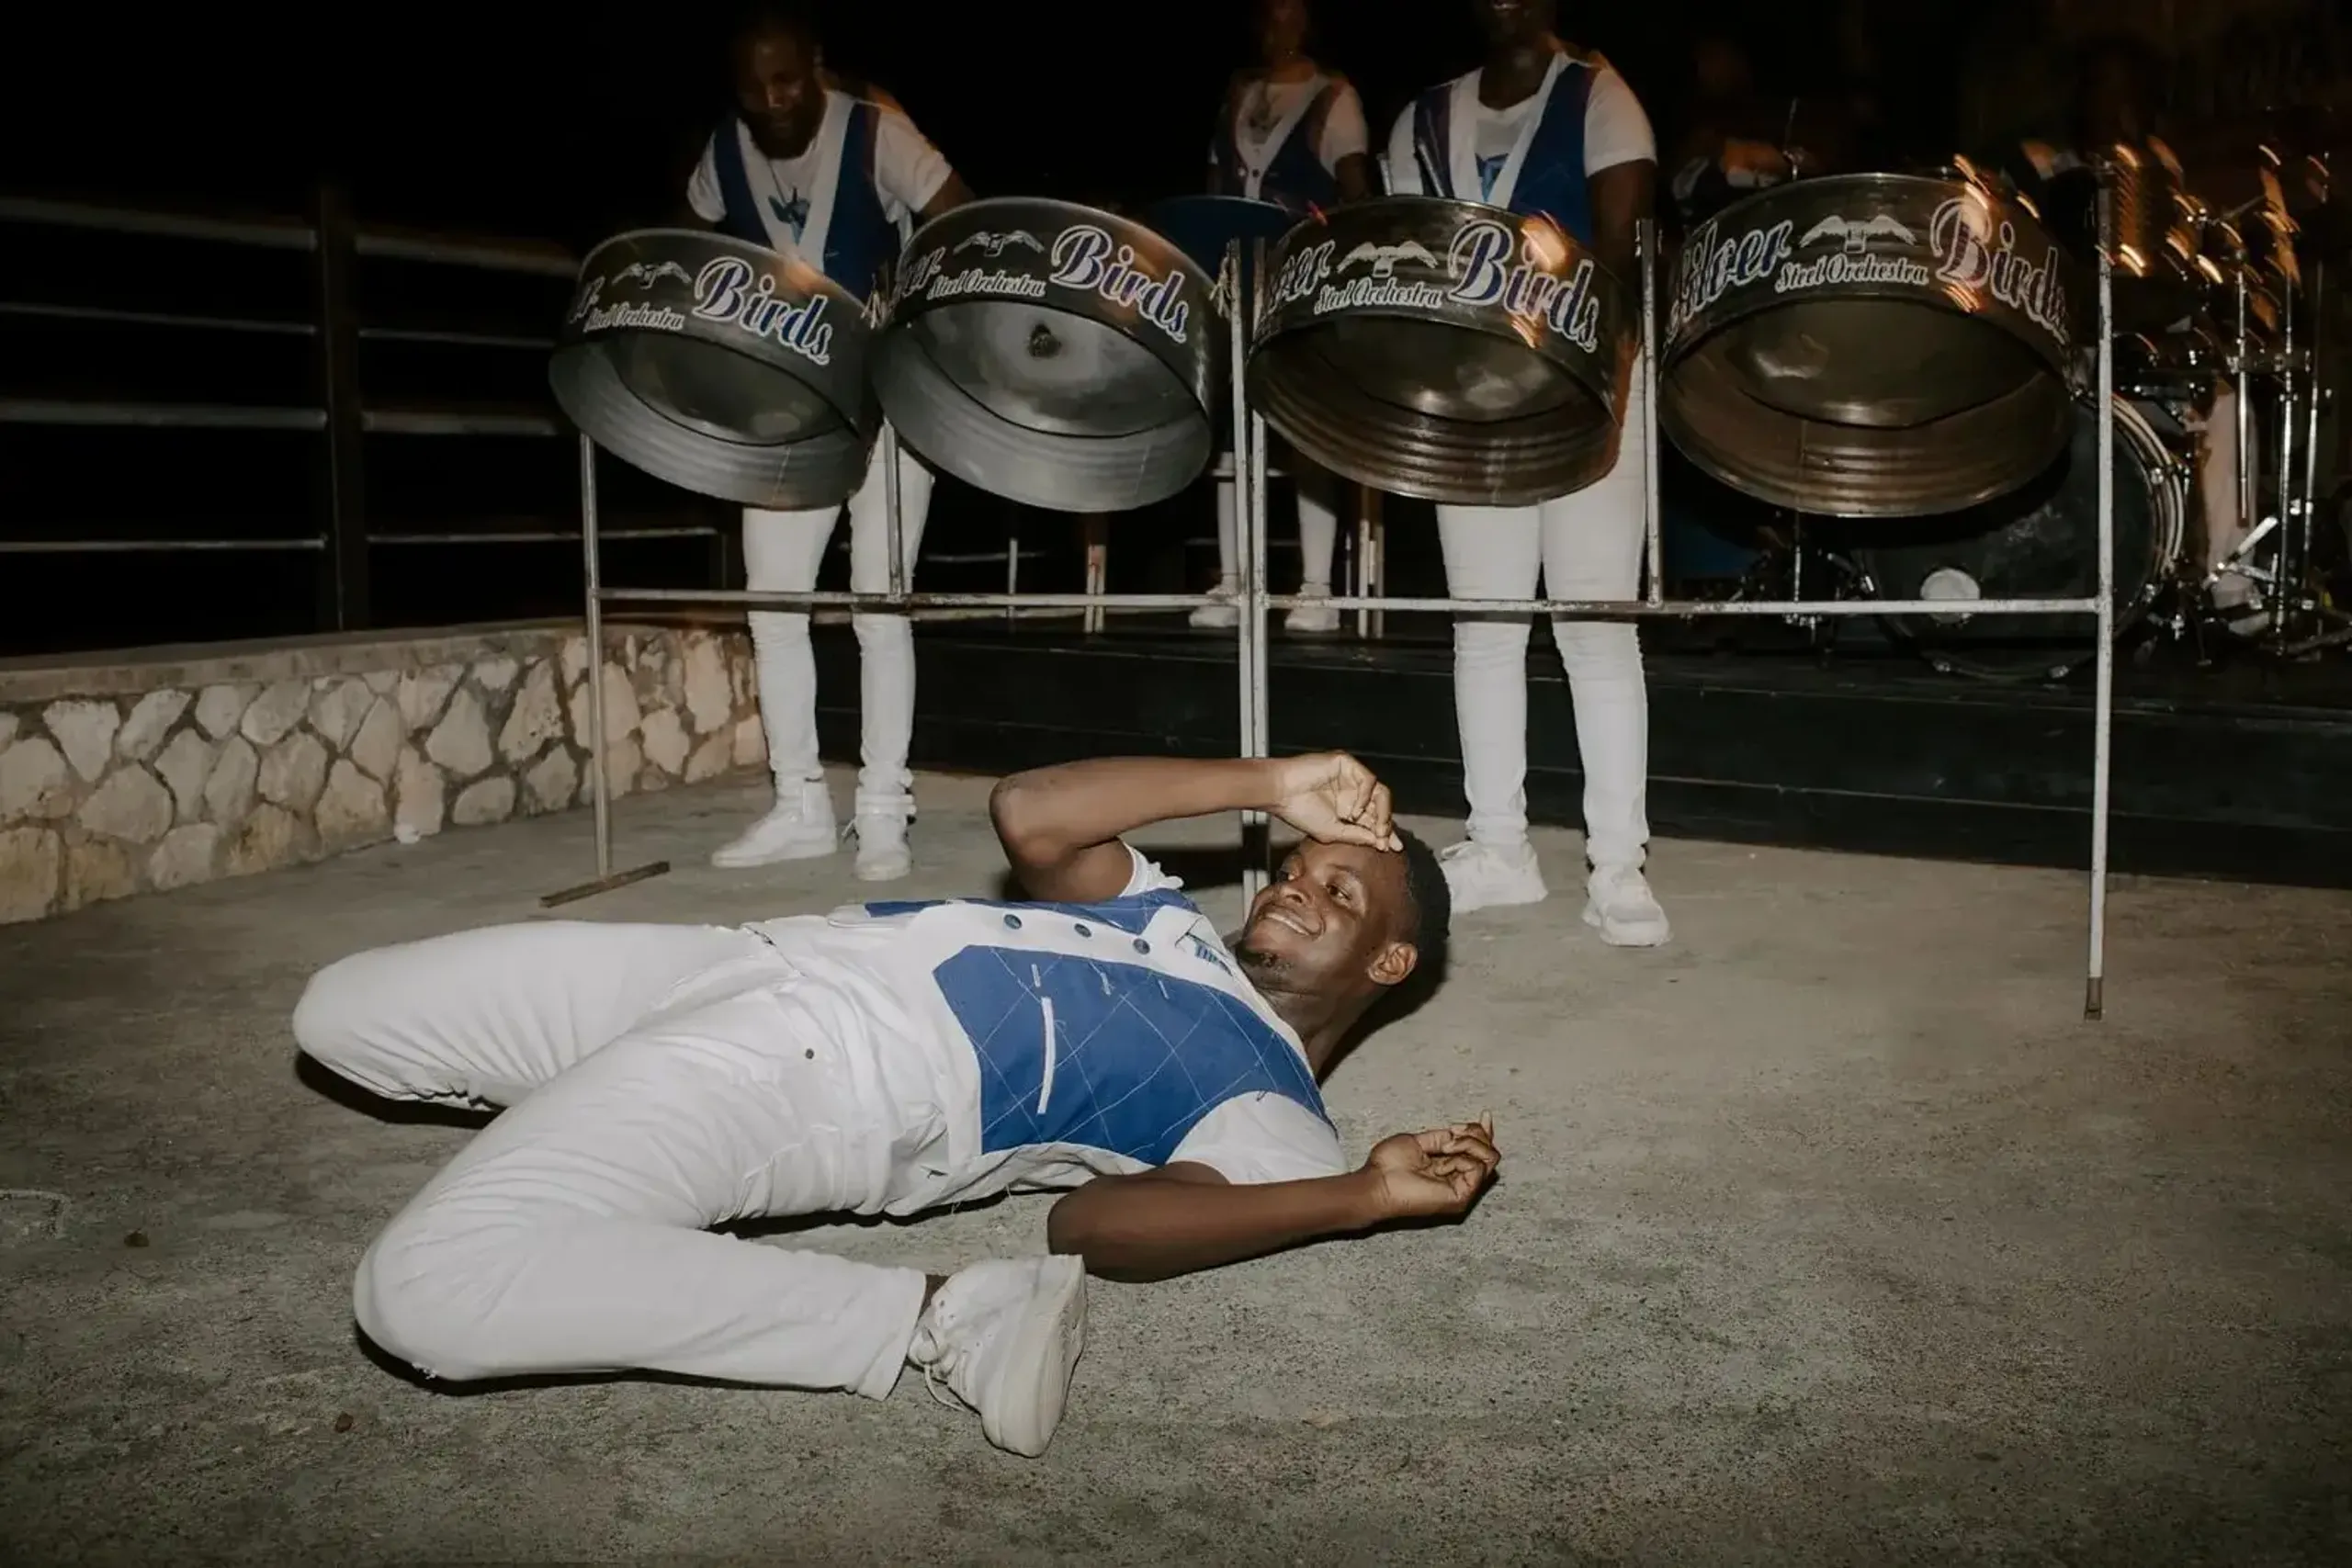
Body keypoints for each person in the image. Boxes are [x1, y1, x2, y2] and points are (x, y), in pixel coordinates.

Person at [292, 750, 1495, 1459]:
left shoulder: (1274, 1110)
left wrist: (1355, 1194)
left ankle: (939, 1314)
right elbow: (1030, 811)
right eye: (1293, 865)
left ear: (1389, 961)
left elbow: (1092, 1226)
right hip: (731, 959)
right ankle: (607, 1168)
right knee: (342, 1013)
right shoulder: (1170, 916)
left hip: (822, 1069)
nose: (1293, 885)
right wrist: (1273, 780)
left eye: (1338, 890)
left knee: (425, 1290)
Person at [1383, 0, 1669, 944]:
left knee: (1593, 627)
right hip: (1472, 399)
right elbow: (1402, 261)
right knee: (1487, 629)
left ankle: (1618, 866)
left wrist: (1607, 395)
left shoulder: (1599, 97)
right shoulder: (1418, 119)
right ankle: (1499, 849)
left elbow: (1620, 261)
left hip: (1591, 384)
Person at [684, 1, 975, 879]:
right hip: (785, 409)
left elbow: (963, 222)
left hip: (888, 398)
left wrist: (912, 303)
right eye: (752, 88)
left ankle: (883, 806)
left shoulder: (878, 133)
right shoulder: (720, 154)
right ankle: (799, 803)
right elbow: (694, 253)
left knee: (878, 605)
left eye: (785, 80)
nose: (771, 101)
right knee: (773, 605)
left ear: (815, 65)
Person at [1192, 0, 1375, 637]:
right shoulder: (1238, 92)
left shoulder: (1334, 98)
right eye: (1268, 14)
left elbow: (1356, 193)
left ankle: (1317, 586)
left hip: (1300, 278)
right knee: (1230, 432)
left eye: (1292, 13)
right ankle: (1234, 580)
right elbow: (1215, 184)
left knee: (1303, 428)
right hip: (1237, 276)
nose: (1278, 26)